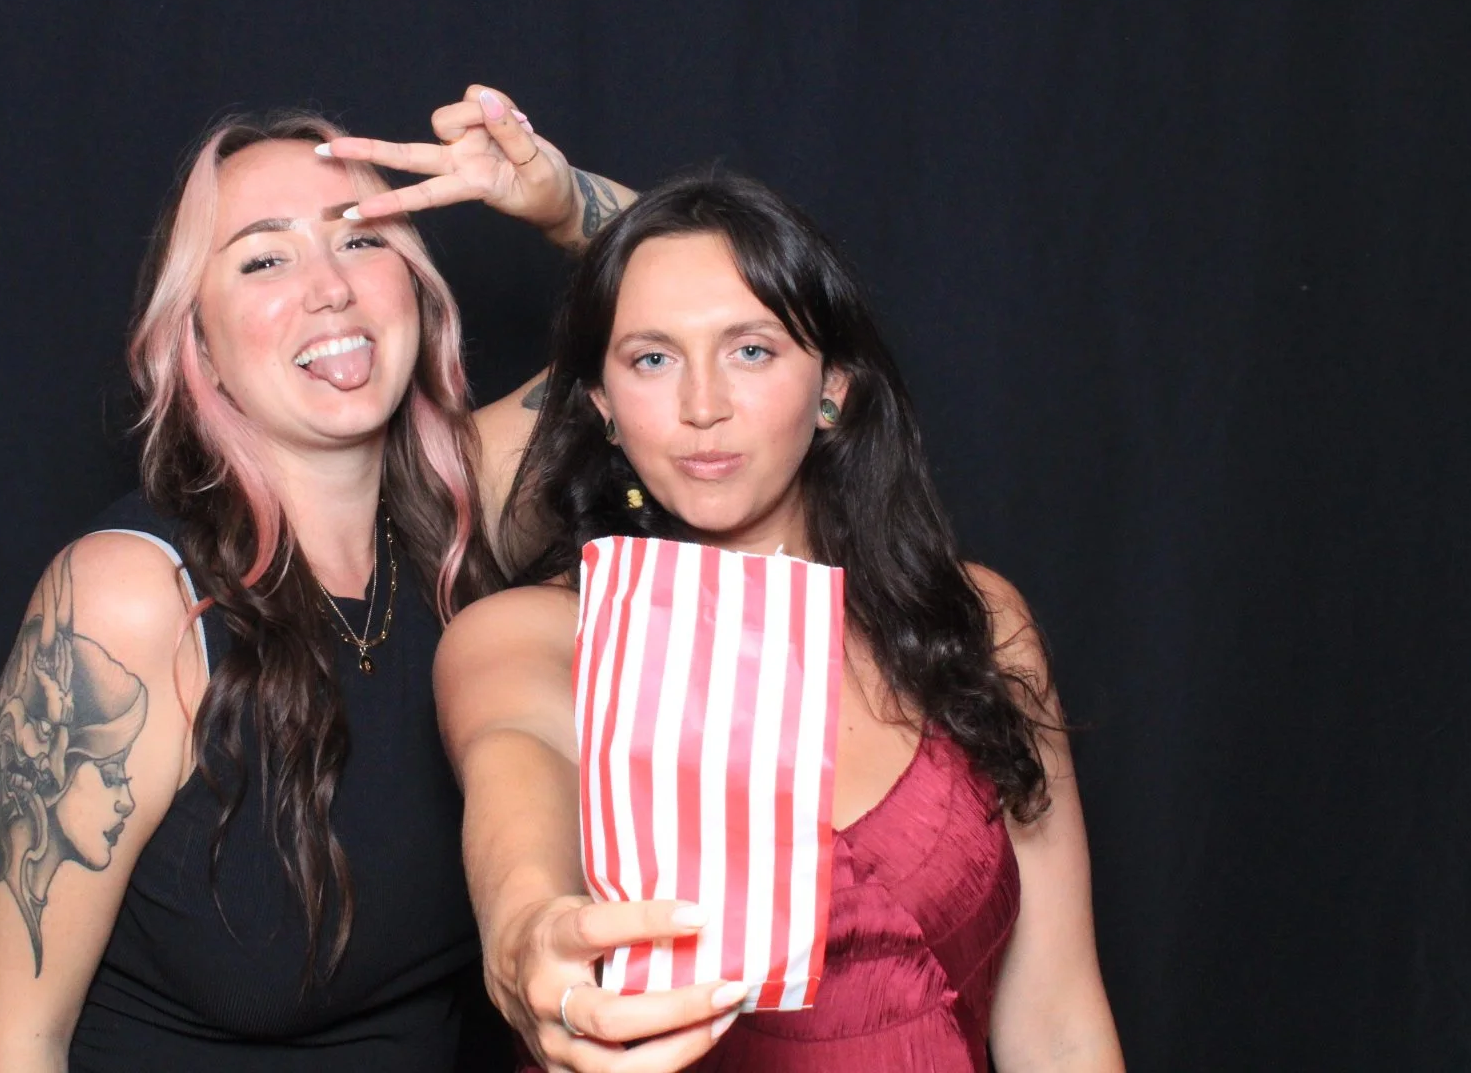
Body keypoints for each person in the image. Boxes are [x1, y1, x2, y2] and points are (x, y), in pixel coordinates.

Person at [0, 86, 636, 1072]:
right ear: (200, 347)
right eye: (266, 257)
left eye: (362, 239)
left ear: (414, 285)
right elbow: (10, 1039)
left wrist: (558, 198)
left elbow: (739, 313)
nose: (330, 289)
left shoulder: (466, 516)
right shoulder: (128, 599)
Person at [437, 174, 1126, 1072]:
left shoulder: (977, 621)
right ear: (602, 409)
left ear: (833, 387)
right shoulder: (533, 634)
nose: (702, 405)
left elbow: (1059, 1022)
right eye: (652, 359)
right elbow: (513, 777)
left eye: (751, 351)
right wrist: (533, 932)